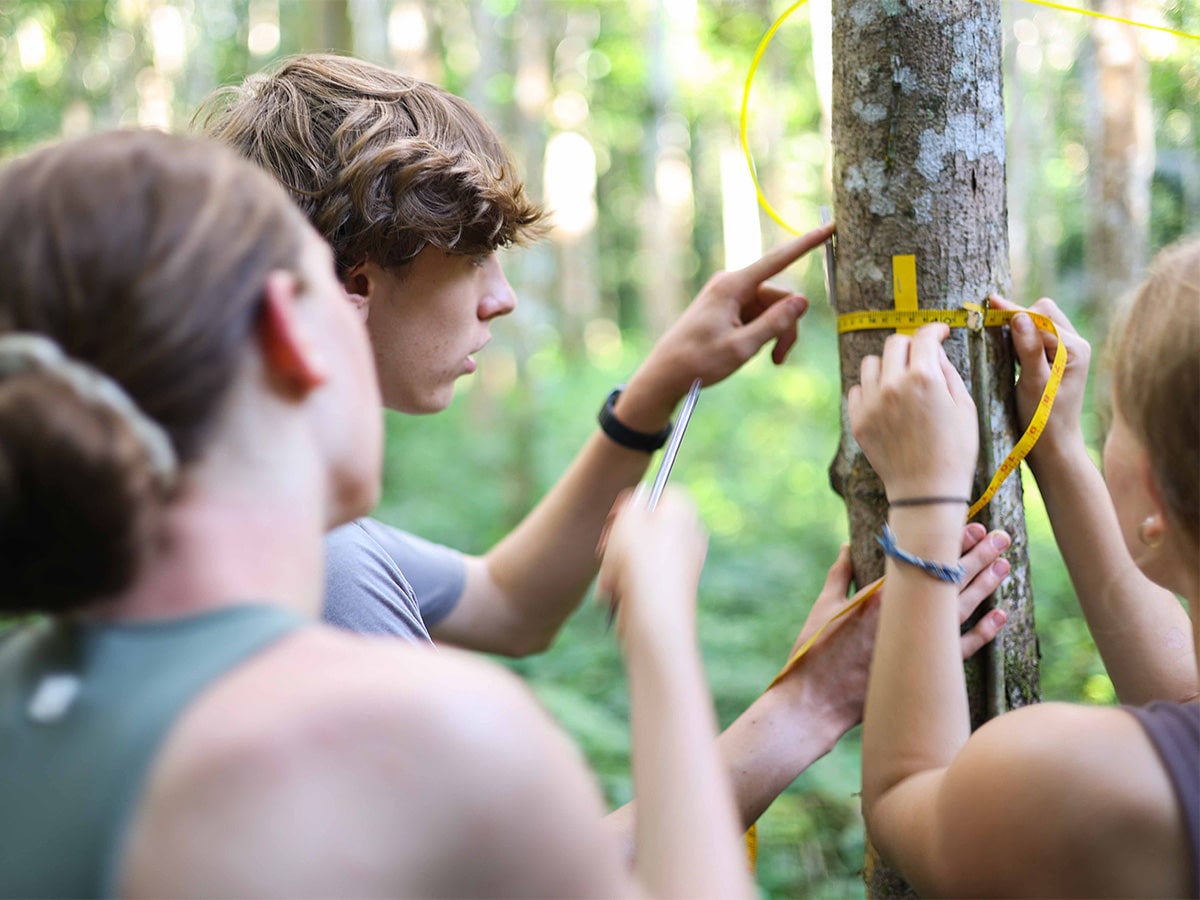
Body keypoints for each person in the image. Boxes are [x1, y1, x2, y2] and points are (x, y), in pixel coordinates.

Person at [194, 53, 1013, 839]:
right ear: (360, 282)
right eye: (475, 258)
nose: (502, 299)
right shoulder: (320, 562)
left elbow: (512, 605)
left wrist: (655, 390)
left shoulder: (247, 508)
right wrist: (810, 705)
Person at [0, 129, 761, 899]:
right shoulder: (422, 733)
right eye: (336, 291)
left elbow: (509, 601)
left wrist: (651, 392)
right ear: (292, 330)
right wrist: (659, 631)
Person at [849, 238, 1199, 898]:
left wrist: (926, 497)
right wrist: (1058, 444)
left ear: (1155, 492)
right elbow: (1183, 697)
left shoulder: (1069, 781)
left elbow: (904, 797)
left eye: (1118, 418)